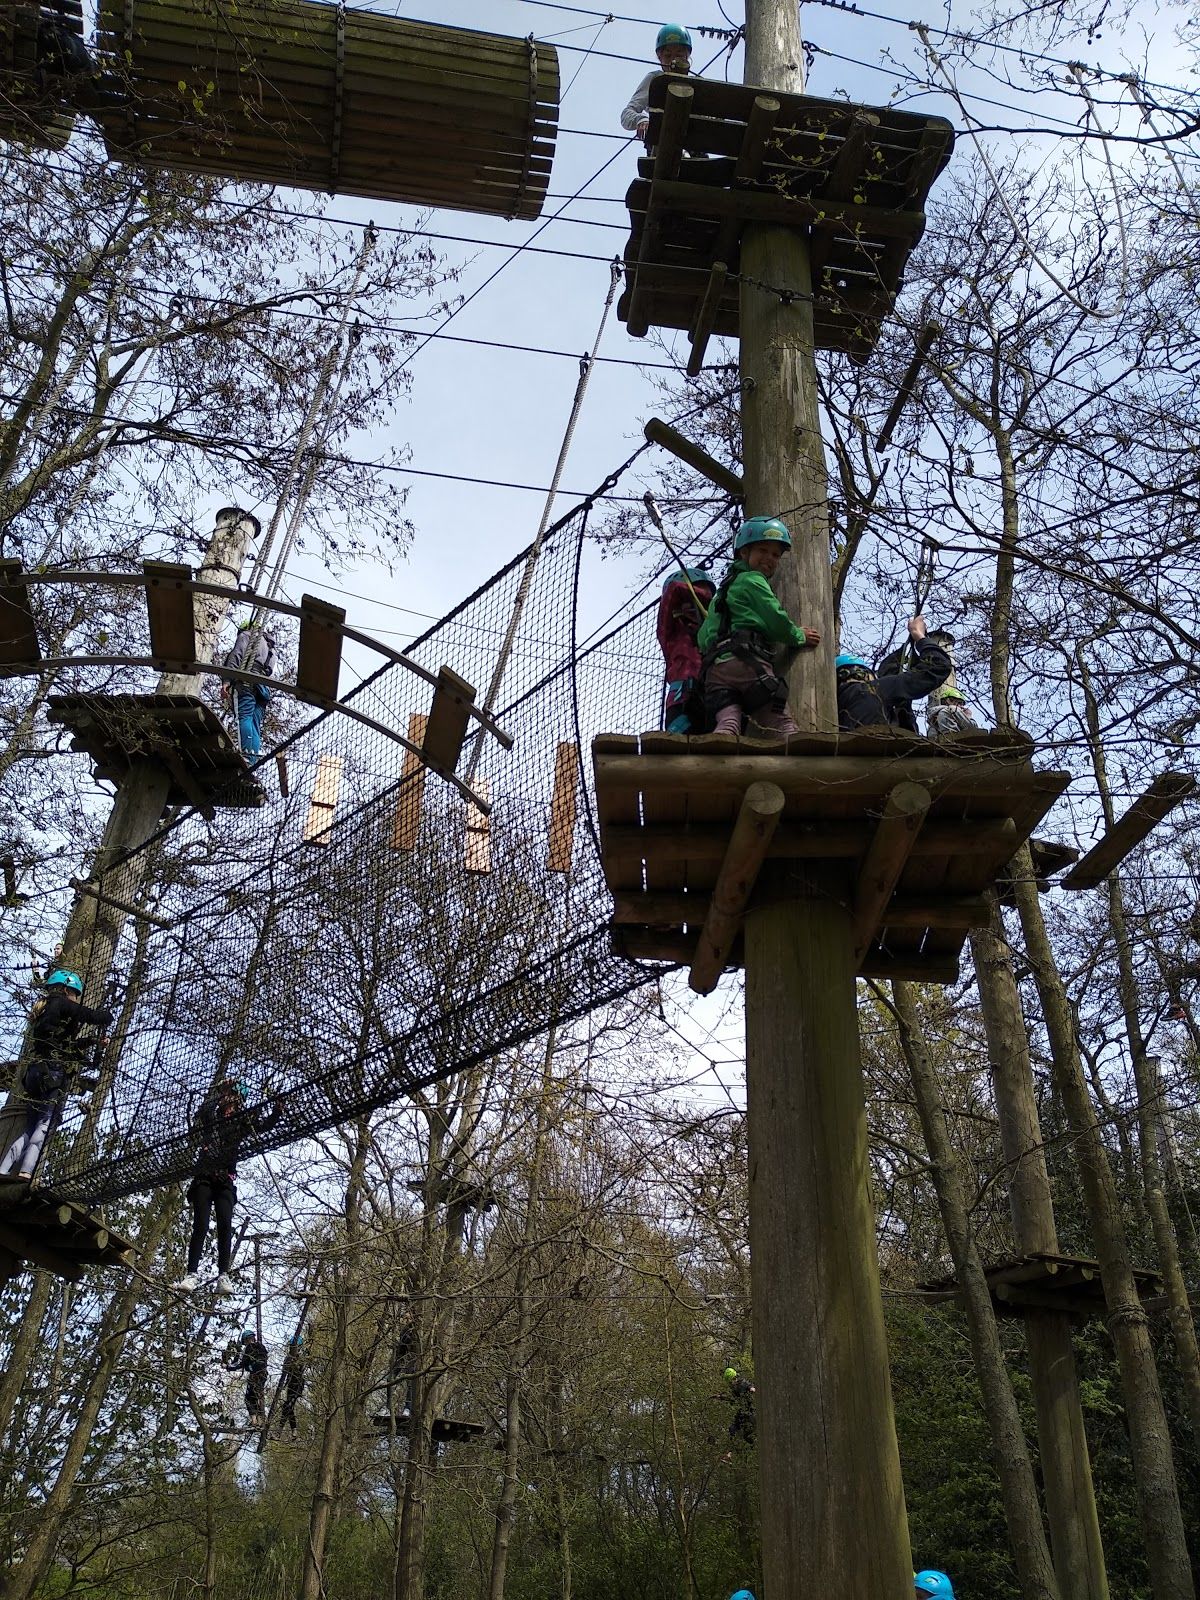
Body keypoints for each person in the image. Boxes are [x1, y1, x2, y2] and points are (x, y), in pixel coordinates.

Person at [697, 517, 821, 737]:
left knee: (728, 719)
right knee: (778, 717)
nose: (770, 558)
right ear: (744, 553)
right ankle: (792, 738)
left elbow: (703, 636)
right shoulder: (753, 580)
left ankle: (724, 735)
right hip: (748, 664)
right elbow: (775, 617)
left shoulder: (722, 593)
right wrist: (798, 635)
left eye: (775, 555)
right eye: (763, 550)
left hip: (716, 671)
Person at [0, 969, 112, 1182]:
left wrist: (93, 1043)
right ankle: (26, 1173)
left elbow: (63, 1045)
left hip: (34, 1073)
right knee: (45, 1123)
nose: (75, 999)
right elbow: (91, 1016)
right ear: (66, 989)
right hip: (52, 1072)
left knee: (29, 1127)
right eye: (75, 994)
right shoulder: (60, 1003)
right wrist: (106, 1015)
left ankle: (3, 1169)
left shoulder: (43, 1012)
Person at [174, 1077, 279, 1295]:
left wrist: (276, 1111)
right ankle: (191, 1274)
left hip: (225, 1180)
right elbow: (204, 1109)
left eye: (230, 1094)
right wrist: (218, 1090)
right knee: (200, 1225)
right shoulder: (211, 1116)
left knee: (225, 1224)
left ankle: (223, 1275)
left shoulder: (242, 1121)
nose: (226, 1097)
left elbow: (264, 1126)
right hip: (203, 1177)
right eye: (225, 1094)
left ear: (238, 1099)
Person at [835, 617, 951, 732]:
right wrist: (919, 635)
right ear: (867, 676)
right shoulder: (876, 690)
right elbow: (938, 666)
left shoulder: (828, 705)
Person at [657, 567, 715, 733]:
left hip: (709, 696)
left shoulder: (711, 630)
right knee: (680, 745)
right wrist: (708, 599)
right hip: (681, 698)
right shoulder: (671, 630)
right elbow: (674, 589)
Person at [620, 24, 694, 143]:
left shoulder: (697, 85)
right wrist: (642, 120)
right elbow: (627, 113)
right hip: (661, 146)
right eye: (668, 55)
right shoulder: (655, 79)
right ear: (660, 58)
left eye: (679, 55)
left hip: (693, 146)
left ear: (687, 56)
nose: (673, 60)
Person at [224, 620, 277, 758]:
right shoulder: (270, 649)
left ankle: (246, 756)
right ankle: (252, 760)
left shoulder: (246, 636)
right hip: (263, 688)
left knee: (244, 718)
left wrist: (227, 680)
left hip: (247, 681)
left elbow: (237, 655)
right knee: (255, 725)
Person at [225, 1329, 269, 1424]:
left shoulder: (249, 1348)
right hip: (263, 1374)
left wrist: (229, 1367)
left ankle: (254, 1421)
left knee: (249, 1398)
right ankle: (260, 1421)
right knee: (257, 1396)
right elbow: (264, 1360)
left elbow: (242, 1364)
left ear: (247, 1339)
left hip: (255, 1375)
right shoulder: (261, 1347)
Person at [722, 1365, 756, 1446]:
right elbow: (732, 1399)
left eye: (730, 1382)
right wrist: (721, 1397)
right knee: (733, 1429)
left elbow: (749, 1386)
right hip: (743, 1411)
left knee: (750, 1428)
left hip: (750, 1410)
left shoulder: (742, 1383)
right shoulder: (734, 1388)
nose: (730, 1384)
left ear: (734, 1378)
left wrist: (752, 1389)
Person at [280, 1334, 306, 1433]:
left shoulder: (301, 1358)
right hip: (290, 1385)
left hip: (297, 1384)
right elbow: (284, 1373)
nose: (292, 1349)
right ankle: (293, 1429)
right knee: (288, 1407)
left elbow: (300, 1369)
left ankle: (280, 1430)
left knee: (288, 1405)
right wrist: (283, 1385)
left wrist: (294, 1362)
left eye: (294, 1347)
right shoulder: (287, 1358)